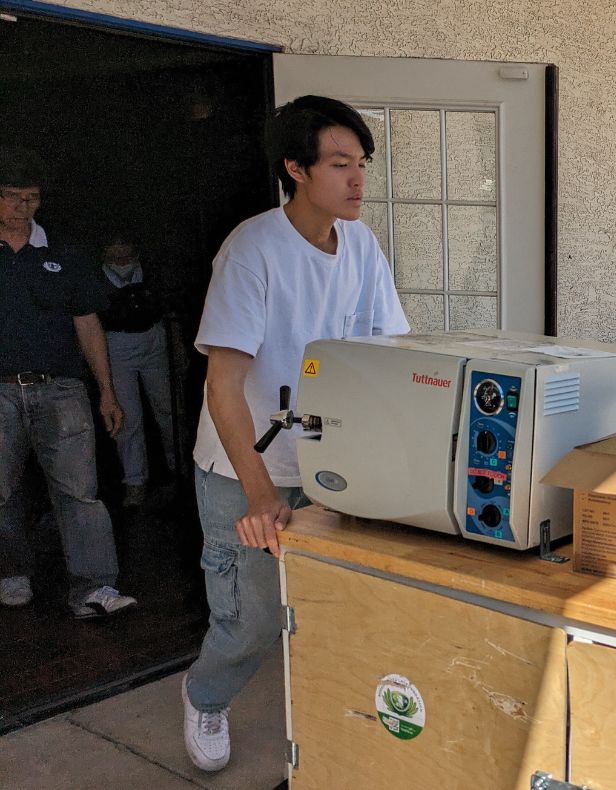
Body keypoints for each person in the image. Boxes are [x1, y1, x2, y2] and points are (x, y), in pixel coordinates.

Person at [181, 96, 409, 773]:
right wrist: (258, 497)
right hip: (243, 471)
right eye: (340, 164)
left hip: (331, 463)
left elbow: (382, 356)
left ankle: (331, 722)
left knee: (337, 607)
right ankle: (205, 693)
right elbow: (223, 383)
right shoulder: (253, 249)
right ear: (296, 169)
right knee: (249, 620)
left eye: (361, 164)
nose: (357, 179)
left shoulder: (361, 244)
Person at [0, 147, 137, 618]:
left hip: (60, 387)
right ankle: (10, 571)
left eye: (31, 198)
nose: (23, 207)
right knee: (2, 489)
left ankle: (94, 587)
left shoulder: (62, 251)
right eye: (13, 197)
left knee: (80, 491)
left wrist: (107, 390)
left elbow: (87, 322)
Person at [98, 234, 178, 509]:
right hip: (117, 344)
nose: (120, 249)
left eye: (125, 243)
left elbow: (170, 309)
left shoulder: (152, 270)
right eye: (114, 244)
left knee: (168, 410)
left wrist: (176, 346)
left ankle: (180, 468)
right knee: (127, 417)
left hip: (154, 340)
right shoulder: (98, 276)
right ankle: (135, 481)